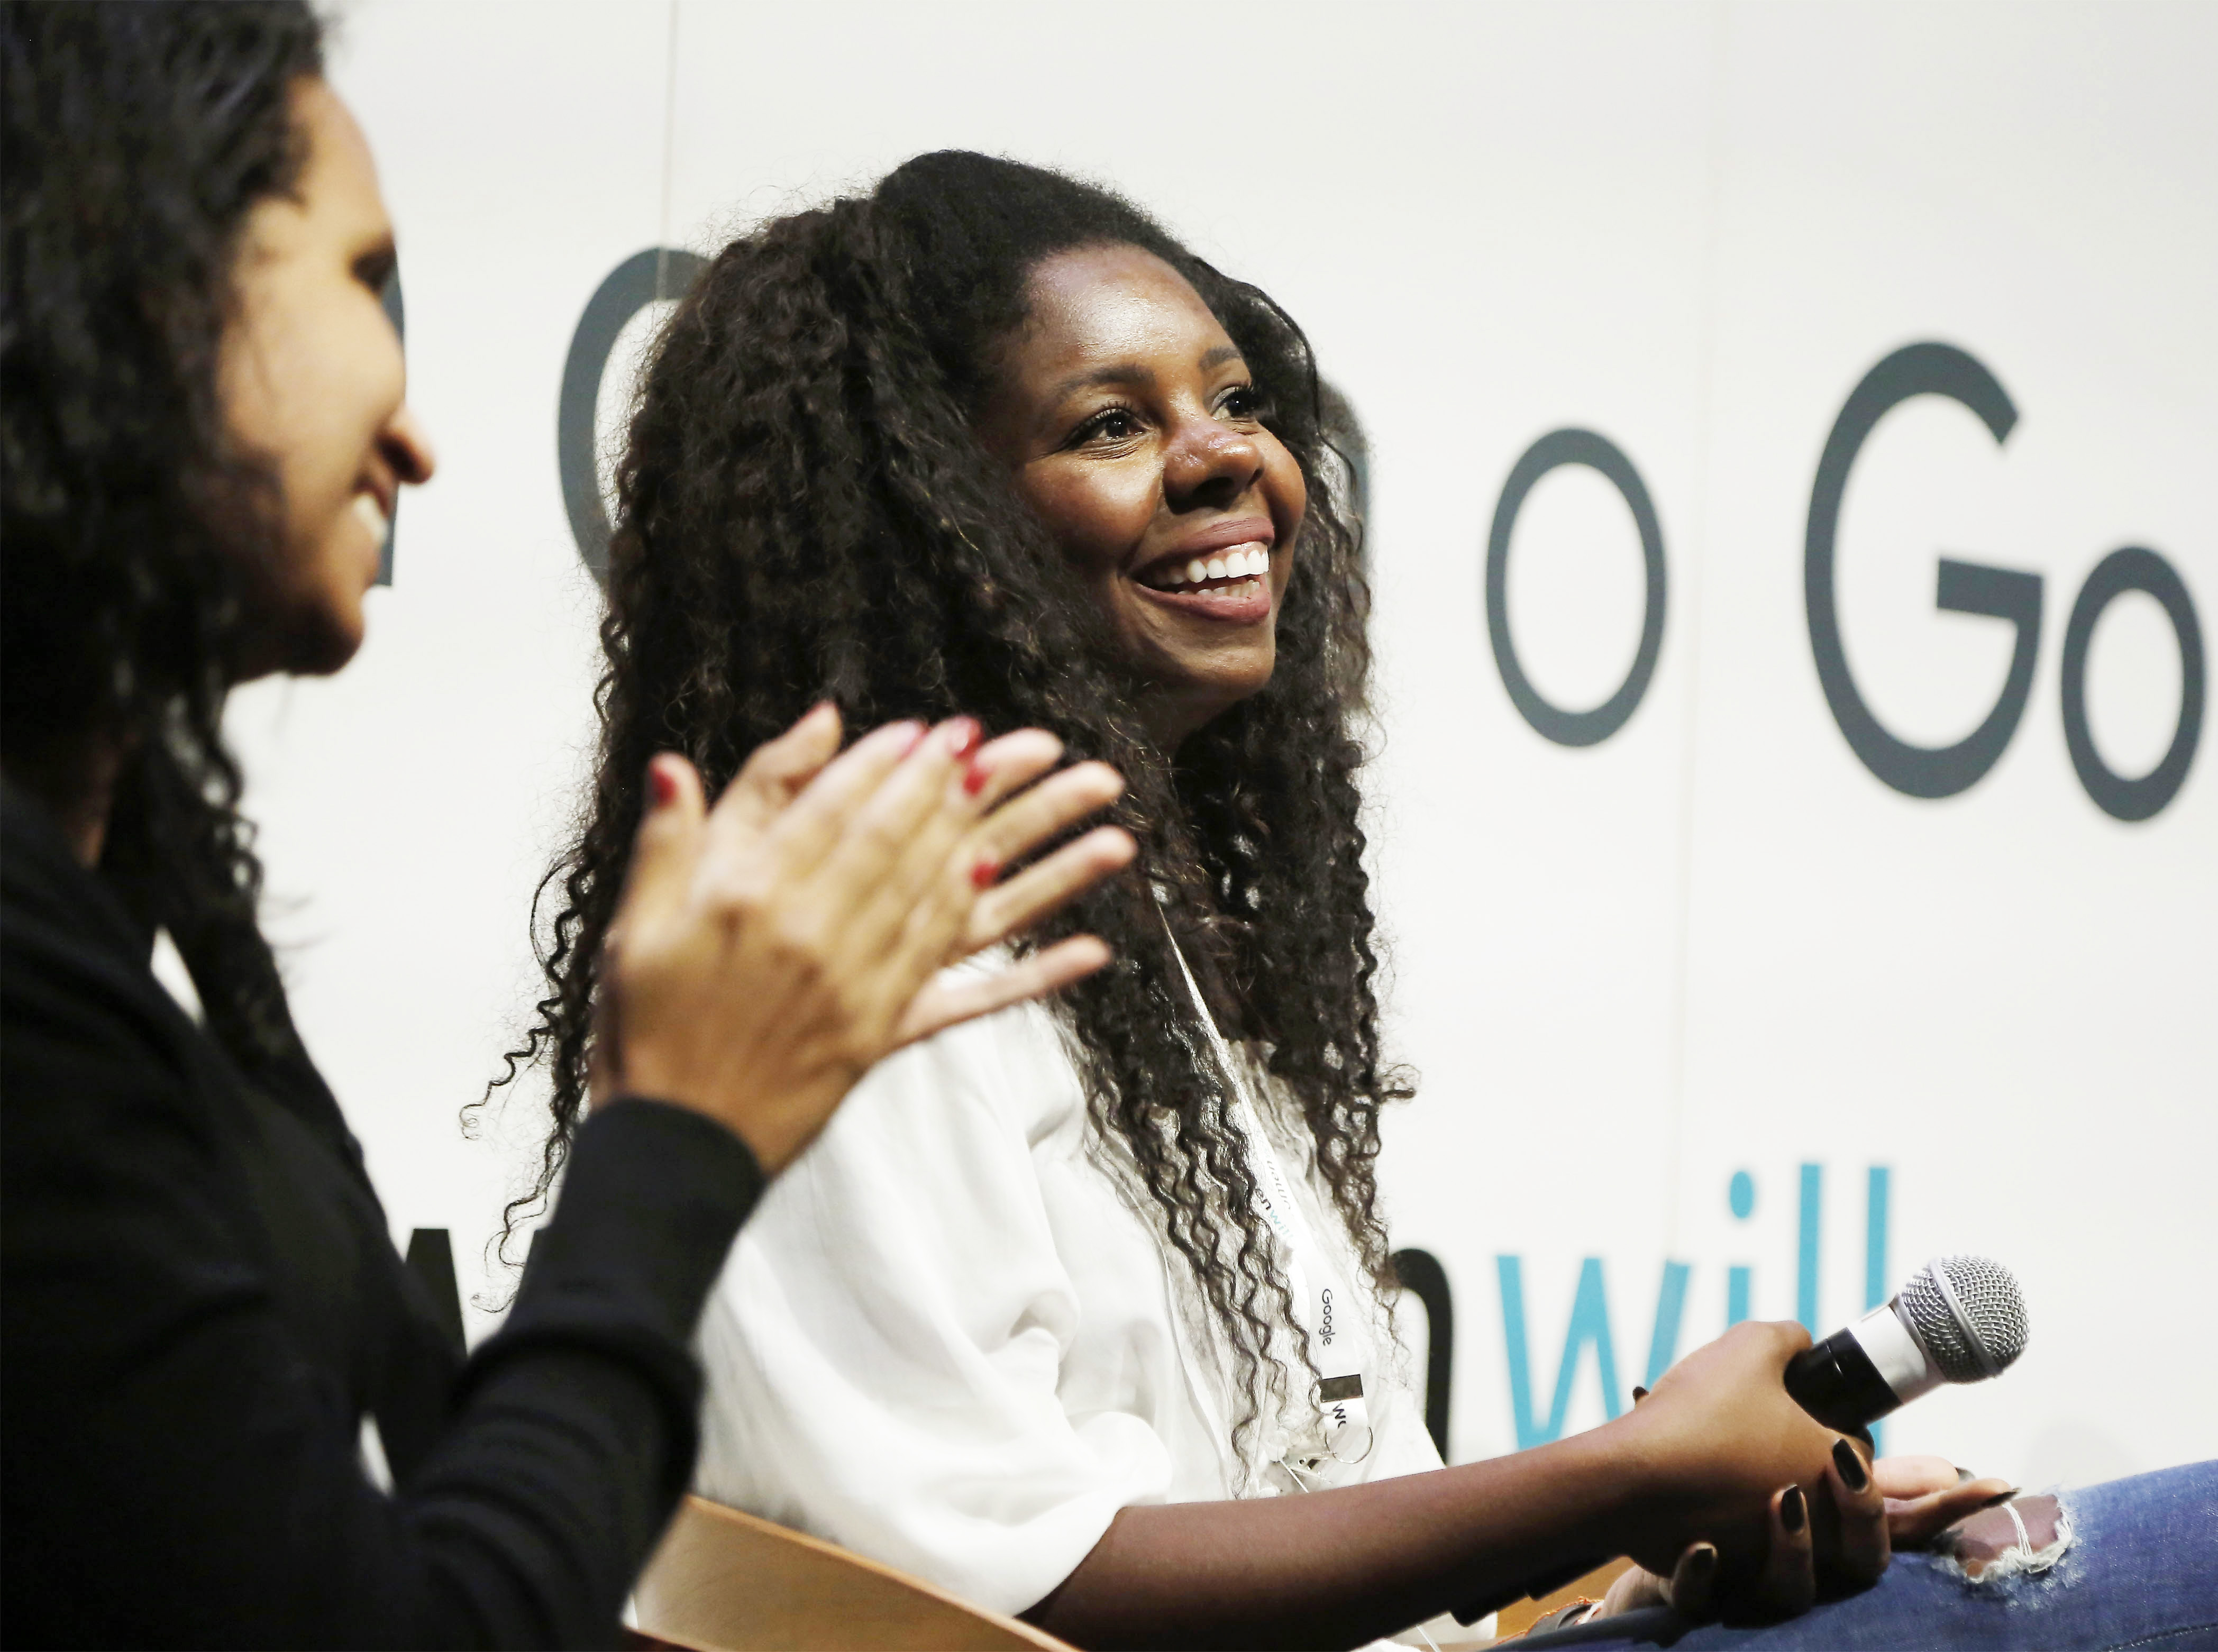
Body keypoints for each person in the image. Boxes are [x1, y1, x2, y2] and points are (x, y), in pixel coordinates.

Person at [519, 149, 2218, 1651]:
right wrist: (1613, 1468)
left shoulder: (1145, 963)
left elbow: (1372, 1585)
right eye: (1113, 423)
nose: (1226, 461)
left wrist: (1656, 1560)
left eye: (1235, 399)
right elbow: (997, 1594)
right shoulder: (853, 973)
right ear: (926, 516)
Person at [0, 11, 1135, 1647]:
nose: (412, 434)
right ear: (131, 298)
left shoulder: (136, 890)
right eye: (357, 277)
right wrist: (677, 1133)